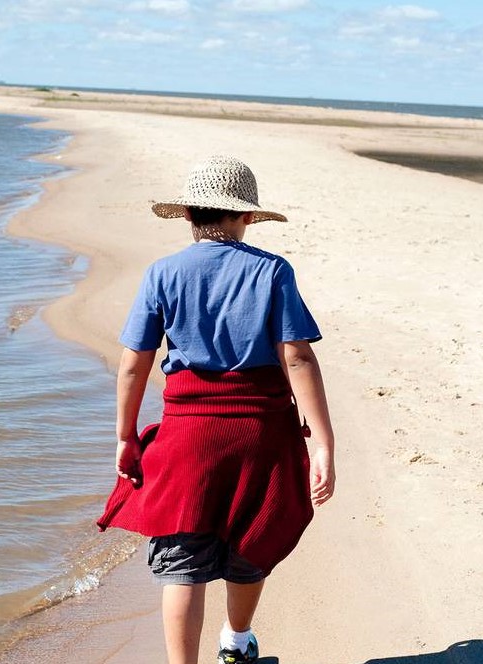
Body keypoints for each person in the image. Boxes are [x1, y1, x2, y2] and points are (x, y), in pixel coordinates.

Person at [97, 155, 335, 664]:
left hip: (188, 435)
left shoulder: (162, 273)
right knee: (253, 538)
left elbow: (134, 366)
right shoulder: (272, 270)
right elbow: (297, 356)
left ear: (187, 215)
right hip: (261, 431)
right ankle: (236, 640)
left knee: (182, 559)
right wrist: (322, 443)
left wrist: (126, 435)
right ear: (246, 216)